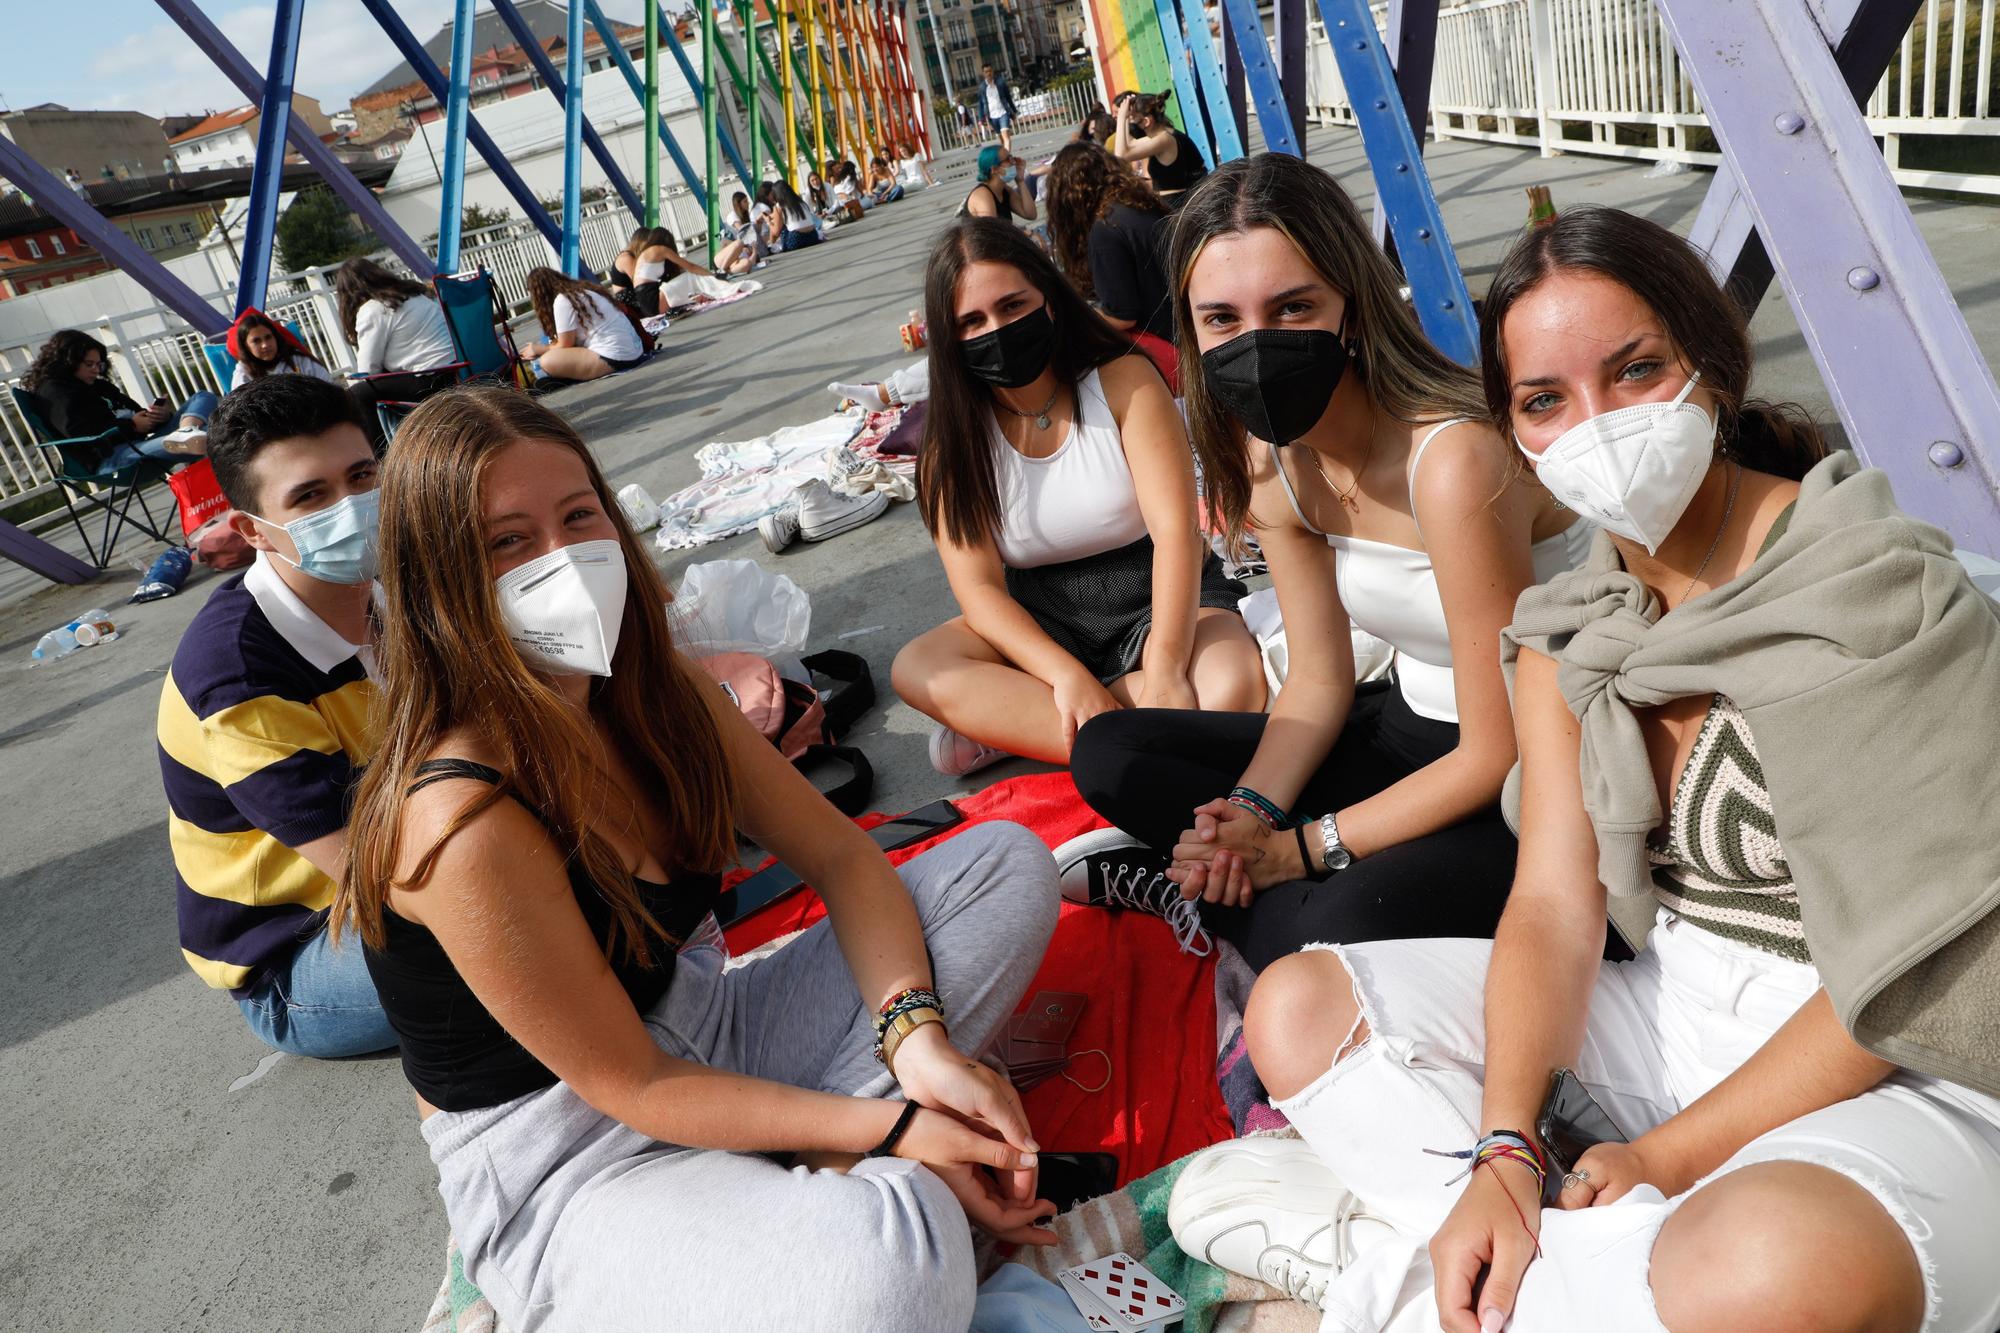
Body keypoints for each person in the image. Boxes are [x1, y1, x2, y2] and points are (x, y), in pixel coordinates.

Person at [1173, 206, 2000, 1333]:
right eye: (1545, 399)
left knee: (1756, 1265)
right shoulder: (1578, 626)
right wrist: (1510, 1146)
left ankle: (1436, 1276)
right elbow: (1555, 906)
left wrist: (1664, 1153)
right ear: (1513, 431)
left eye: (1634, 371)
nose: (1596, 424)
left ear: (1710, 367)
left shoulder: (1870, 592)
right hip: (1677, 1008)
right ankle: (1530, 1251)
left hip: (1895, 1056)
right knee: (1295, 1003)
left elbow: (1915, 967)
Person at [341, 385, 1061, 1331]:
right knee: (894, 1257)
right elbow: (631, 1084)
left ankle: (788, 1178)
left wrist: (914, 1037)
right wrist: (896, 1124)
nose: (563, 560)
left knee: (1005, 862)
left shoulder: (656, 690)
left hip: (704, 1027)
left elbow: (845, 862)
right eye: (506, 541)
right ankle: (792, 1187)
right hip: (570, 1157)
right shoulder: (461, 814)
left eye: (578, 516)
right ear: (441, 580)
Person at [1067, 154, 1591, 970]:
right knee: (1109, 750)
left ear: (1351, 303)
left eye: (1292, 306)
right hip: (1402, 731)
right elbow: (1317, 678)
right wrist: (1250, 812)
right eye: (1221, 320)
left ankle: (1211, 888)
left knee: (1310, 934)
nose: (1257, 343)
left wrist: (1301, 849)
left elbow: (1499, 750)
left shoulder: (1451, 461)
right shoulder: (1277, 459)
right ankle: (1222, 874)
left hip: (1528, 775)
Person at [891, 218, 1264, 809]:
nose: (998, 330)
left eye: (1013, 305)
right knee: (919, 667)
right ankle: (1111, 721)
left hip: (1159, 595)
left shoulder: (1122, 379)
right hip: (1039, 617)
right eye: (972, 322)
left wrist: (1165, 666)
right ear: (947, 335)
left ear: (1050, 299)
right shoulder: (949, 442)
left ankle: (1037, 725)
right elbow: (980, 591)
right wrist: (1067, 677)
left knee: (1233, 688)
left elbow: (1175, 532)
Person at [156, 374, 395, 1058]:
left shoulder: (392, 586)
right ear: (252, 531)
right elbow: (371, 869)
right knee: (516, 926)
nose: (352, 507)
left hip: (411, 859)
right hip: (303, 954)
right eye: (311, 496)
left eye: (361, 476)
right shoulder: (238, 674)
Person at [22, 329, 215, 467]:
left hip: (139, 444)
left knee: (203, 396)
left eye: (99, 365)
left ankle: (187, 430)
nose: (96, 370)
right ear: (67, 361)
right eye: (89, 364)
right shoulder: (54, 391)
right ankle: (190, 437)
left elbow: (137, 414)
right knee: (214, 436)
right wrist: (131, 426)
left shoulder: (99, 386)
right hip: (113, 457)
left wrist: (158, 417)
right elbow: (80, 434)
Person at [1044, 142, 1174, 343]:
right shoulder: (1138, 204)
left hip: (1163, 342)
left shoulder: (1104, 229)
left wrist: (1076, 318)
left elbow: (1122, 317)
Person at [335, 257, 460, 452]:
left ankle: (382, 459)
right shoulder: (417, 295)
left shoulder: (373, 309)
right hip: (453, 371)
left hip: (427, 381)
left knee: (358, 393)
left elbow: (366, 371)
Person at [517, 266, 646, 384]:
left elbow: (565, 345)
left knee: (547, 361)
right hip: (634, 351)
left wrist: (537, 349)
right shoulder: (582, 291)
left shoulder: (563, 300)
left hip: (616, 357)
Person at [1113, 91, 1208, 208]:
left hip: (1176, 206)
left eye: (1134, 119)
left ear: (1146, 121)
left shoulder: (1164, 140)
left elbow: (1121, 155)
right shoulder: (1164, 136)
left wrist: (1122, 118)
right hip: (1175, 204)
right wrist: (1124, 118)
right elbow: (1130, 144)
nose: (1133, 124)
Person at [225, 307, 336, 390]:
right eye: (256, 341)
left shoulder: (298, 360)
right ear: (246, 346)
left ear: (276, 338)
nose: (265, 345)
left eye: (268, 337)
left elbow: (329, 387)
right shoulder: (244, 375)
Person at [959, 145, 1037, 224]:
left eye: (1011, 157)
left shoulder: (1004, 190)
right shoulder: (982, 195)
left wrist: (1020, 181)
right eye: (1008, 160)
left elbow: (1031, 214)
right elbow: (994, 232)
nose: (1014, 162)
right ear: (995, 169)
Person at [761, 179, 825, 251]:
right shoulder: (800, 201)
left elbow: (776, 232)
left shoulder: (779, 206)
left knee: (781, 229)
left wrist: (768, 222)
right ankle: (772, 244)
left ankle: (771, 245)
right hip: (813, 236)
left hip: (796, 240)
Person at [714, 191, 768, 274]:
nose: (748, 203)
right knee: (739, 243)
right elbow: (743, 232)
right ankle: (722, 269)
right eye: (745, 201)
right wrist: (745, 247)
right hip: (724, 257)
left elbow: (754, 235)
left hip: (735, 260)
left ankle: (726, 272)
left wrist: (759, 223)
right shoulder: (733, 216)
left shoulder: (746, 216)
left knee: (747, 263)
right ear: (738, 204)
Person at [979, 64, 1018, 152]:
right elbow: (981, 104)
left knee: (1006, 136)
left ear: (993, 72)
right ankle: (1005, 155)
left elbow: (1008, 98)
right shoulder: (982, 88)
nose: (988, 73)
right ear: (983, 74)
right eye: (986, 72)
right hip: (992, 116)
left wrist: (1013, 111)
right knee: (1001, 139)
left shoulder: (1000, 83)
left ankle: (1007, 156)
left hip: (1003, 113)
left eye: (990, 71)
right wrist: (981, 119)